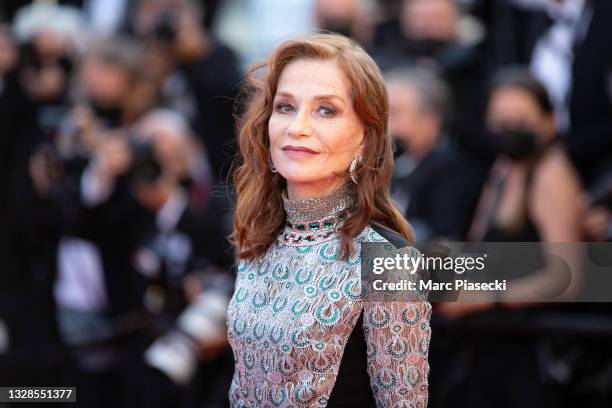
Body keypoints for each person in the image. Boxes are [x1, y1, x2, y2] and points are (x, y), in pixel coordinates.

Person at [227, 33, 431, 407]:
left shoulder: (386, 262)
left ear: (365, 139)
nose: (297, 127)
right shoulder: (256, 238)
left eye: (326, 110)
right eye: (286, 107)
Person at [386, 67, 484, 241]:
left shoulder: (453, 172)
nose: (386, 124)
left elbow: (445, 240)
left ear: (430, 121)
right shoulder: (396, 162)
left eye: (396, 113)